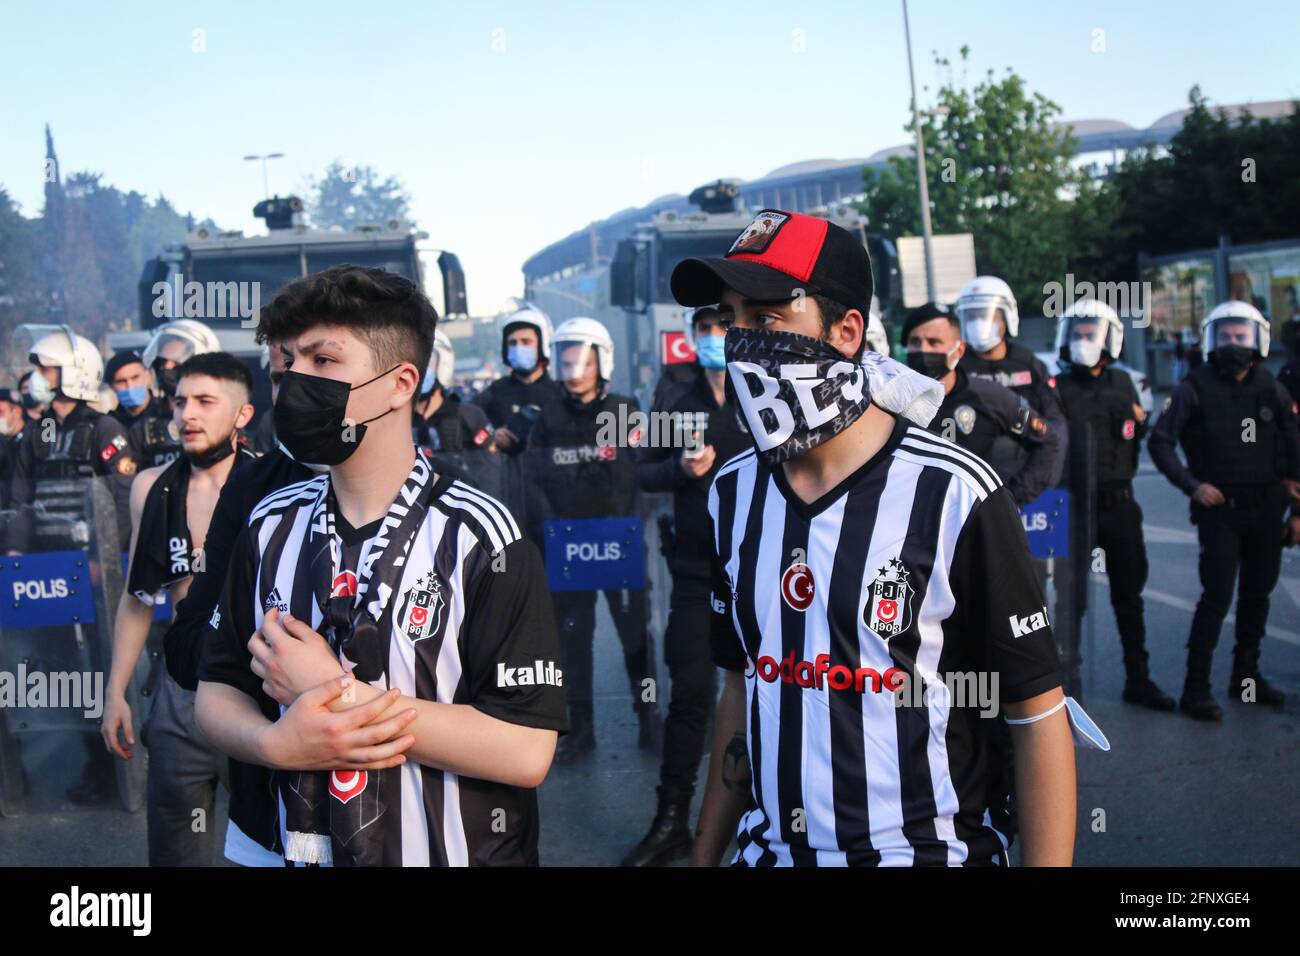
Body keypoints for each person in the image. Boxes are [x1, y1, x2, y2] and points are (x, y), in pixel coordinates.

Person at [671, 209, 1078, 867]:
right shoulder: (730, 492)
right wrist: (705, 855)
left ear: (846, 331)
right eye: (729, 317)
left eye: (766, 317)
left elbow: (1036, 715)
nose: (740, 340)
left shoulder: (955, 494)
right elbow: (743, 687)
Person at [195, 264, 565, 866]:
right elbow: (216, 693)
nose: (294, 383)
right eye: (289, 364)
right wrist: (273, 744)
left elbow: (525, 752)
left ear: (400, 384)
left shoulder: (484, 538)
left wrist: (331, 693)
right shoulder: (267, 528)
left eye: (323, 361)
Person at [101, 353, 256, 865]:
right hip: (177, 687)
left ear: (241, 415)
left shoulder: (274, 484)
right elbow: (136, 597)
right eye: (181, 400)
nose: (187, 413)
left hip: (255, 686)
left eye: (205, 402)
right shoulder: (151, 487)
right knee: (174, 849)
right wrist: (116, 691)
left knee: (269, 842)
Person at [623, 305, 751, 866]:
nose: (714, 338)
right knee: (692, 693)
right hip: (698, 573)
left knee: (777, 693)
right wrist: (681, 469)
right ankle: (672, 818)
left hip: (768, 570)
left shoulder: (764, 393)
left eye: (724, 327)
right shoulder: (675, 397)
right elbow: (641, 470)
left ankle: (775, 813)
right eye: (704, 330)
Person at [1149, 300, 1300, 720]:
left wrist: (1296, 508)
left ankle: (1245, 679)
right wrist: (1193, 487)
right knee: (1216, 597)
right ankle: (1195, 690)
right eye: (1226, 335)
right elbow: (1160, 442)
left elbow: (1292, 444)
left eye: (1241, 335)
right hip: (1221, 513)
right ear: (1211, 340)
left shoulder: (1272, 387)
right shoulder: (1191, 388)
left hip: (1267, 508)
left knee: (1258, 596)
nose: (1233, 343)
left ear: (1258, 341)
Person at [527, 317, 661, 764]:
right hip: (568, 548)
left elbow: (643, 475)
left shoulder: (626, 410)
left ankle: (649, 720)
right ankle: (580, 730)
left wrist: (632, 525)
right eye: (566, 360)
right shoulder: (547, 416)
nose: (574, 368)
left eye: (582, 359)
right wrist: (553, 531)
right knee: (573, 642)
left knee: (635, 638)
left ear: (602, 360)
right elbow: (533, 480)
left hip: (620, 544)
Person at [1052, 299, 1173, 710]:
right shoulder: (1056, 388)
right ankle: (1067, 687)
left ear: (1110, 339)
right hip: (1071, 507)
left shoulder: (1126, 383)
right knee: (1071, 600)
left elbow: (1136, 432)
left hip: (1119, 504)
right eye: (1078, 333)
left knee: (1129, 594)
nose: (1083, 340)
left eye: (1091, 333)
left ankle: (1138, 679)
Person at [903, 301, 1060, 507]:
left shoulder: (992, 396)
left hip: (974, 524)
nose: (923, 350)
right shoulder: (893, 401)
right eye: (915, 342)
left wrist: (1008, 499)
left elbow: (1046, 440)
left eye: (934, 342)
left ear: (958, 351)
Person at [956, 276, 1067, 490]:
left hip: (1025, 477)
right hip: (972, 481)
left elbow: (1055, 426)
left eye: (987, 315)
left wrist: (1036, 481)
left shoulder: (1029, 366)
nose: (979, 323)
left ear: (1008, 317)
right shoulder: (957, 368)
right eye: (972, 316)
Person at [127, 319, 221, 469]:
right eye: (163, 361)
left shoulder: (222, 421)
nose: (166, 368)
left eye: (175, 362)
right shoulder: (143, 428)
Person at [474, 303, 561, 454]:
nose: (518, 348)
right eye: (512, 343)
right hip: (506, 474)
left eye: (526, 342)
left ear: (542, 346)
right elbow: (471, 432)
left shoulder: (560, 393)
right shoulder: (494, 393)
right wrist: (492, 437)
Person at [413, 329, 494, 457]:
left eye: (426, 360)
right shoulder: (395, 422)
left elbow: (489, 466)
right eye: (412, 361)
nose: (419, 368)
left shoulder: (470, 416)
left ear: (443, 364)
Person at [105, 350, 160, 427]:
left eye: (135, 377)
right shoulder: (110, 424)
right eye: (121, 381)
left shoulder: (165, 413)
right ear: (112, 386)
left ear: (148, 376)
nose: (130, 386)